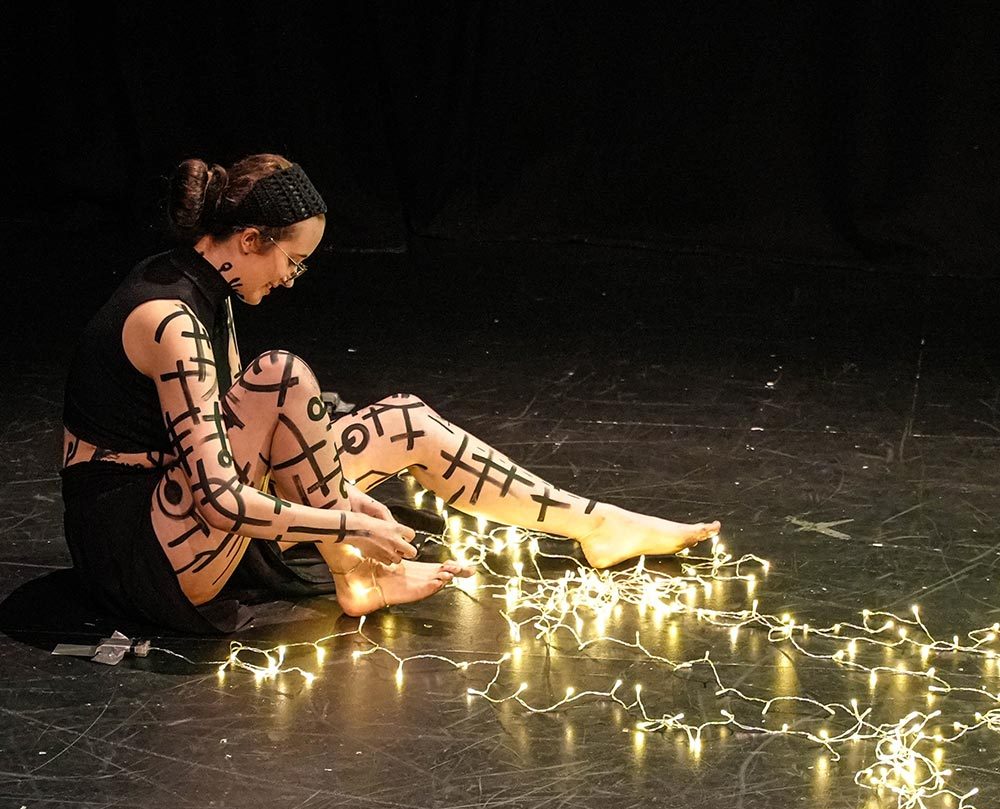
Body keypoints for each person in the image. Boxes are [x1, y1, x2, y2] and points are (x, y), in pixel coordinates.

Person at [61, 153, 720, 634]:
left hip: (194, 513)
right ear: (252, 240)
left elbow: (249, 451)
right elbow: (221, 497)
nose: (292, 280)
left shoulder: (214, 290)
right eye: (291, 262)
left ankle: (595, 524)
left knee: (405, 422)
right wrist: (347, 522)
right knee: (282, 376)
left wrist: (339, 494)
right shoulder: (169, 318)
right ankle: (353, 573)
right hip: (142, 552)